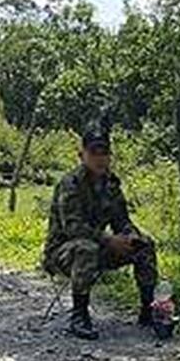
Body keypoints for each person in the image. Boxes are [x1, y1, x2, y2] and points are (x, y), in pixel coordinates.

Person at [43, 127, 162, 340]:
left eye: (104, 153)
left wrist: (130, 235)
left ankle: (148, 309)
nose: (99, 159)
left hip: (100, 247)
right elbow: (72, 228)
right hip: (62, 253)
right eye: (93, 153)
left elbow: (122, 221)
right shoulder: (71, 184)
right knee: (85, 248)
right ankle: (79, 315)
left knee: (145, 244)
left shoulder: (111, 184)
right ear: (82, 155)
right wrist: (108, 240)